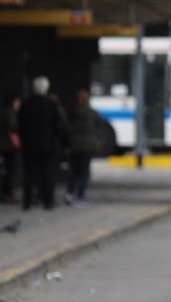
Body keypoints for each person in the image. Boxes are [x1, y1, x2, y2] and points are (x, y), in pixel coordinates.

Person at [17, 77, 68, 211]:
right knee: (48, 175)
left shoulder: (26, 104)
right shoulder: (51, 105)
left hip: (29, 146)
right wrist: (63, 143)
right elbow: (58, 127)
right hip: (48, 146)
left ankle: (27, 201)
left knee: (29, 175)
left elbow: (20, 126)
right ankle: (47, 201)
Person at [66, 89, 102, 207]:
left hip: (74, 145)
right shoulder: (91, 113)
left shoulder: (72, 112)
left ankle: (69, 194)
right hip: (87, 146)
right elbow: (98, 126)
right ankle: (80, 196)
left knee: (73, 171)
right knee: (84, 173)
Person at [0, 94, 20, 204]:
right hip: (9, 146)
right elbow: (13, 126)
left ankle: (6, 193)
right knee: (10, 171)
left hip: (5, 146)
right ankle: (8, 194)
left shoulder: (5, 112)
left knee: (7, 171)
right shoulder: (10, 112)